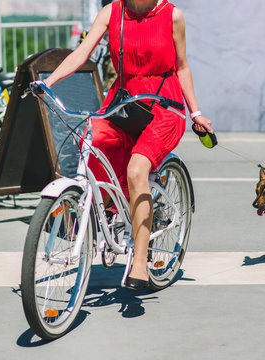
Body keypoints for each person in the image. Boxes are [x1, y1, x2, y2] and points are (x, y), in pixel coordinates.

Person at [43, 0, 213, 289]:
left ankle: (139, 261)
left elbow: (182, 67)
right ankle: (104, 209)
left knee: (137, 170)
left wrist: (195, 112)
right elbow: (82, 52)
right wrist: (49, 82)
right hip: (123, 102)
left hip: (164, 106)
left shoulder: (173, 16)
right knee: (92, 143)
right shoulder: (112, 12)